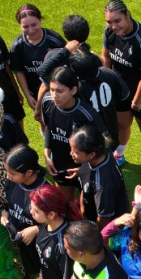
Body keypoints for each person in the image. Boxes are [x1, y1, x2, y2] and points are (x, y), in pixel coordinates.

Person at [101, 0, 141, 173]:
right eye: (109, 22)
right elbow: (106, 55)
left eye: (117, 20)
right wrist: (107, 79)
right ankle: (119, 155)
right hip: (120, 88)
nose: (113, 26)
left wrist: (136, 102)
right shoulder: (109, 32)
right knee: (122, 124)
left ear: (127, 15)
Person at [42, 66, 106, 203]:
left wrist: (83, 169)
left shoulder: (87, 114)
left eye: (60, 91)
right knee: (65, 203)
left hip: (85, 169)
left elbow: (104, 146)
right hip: (60, 166)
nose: (54, 95)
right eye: (52, 90)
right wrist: (47, 155)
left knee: (87, 206)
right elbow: (49, 127)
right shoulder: (47, 103)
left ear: (73, 90)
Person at [29, 183, 79, 279]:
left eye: (35, 211)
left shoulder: (64, 244)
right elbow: (42, 254)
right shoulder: (45, 225)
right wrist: (41, 274)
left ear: (51, 214)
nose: (31, 212)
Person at [2, 145, 48, 279]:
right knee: (30, 266)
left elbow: (59, 221)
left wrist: (37, 229)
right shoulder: (12, 183)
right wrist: (5, 212)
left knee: (43, 269)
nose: (8, 176)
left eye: (12, 173)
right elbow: (7, 201)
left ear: (28, 173)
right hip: (22, 241)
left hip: (40, 243)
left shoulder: (45, 194)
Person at [72, 123, 129, 228]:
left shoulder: (102, 183)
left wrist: (93, 233)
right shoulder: (102, 151)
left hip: (104, 227)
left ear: (91, 154)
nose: (71, 154)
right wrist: (81, 172)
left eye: (75, 152)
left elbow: (104, 220)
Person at [9, 4, 62, 113]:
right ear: (19, 25)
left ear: (40, 20)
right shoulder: (17, 46)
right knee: (41, 118)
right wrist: (28, 95)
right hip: (34, 93)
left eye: (34, 25)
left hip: (57, 92)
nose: (31, 30)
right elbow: (19, 72)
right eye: (25, 27)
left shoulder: (54, 41)